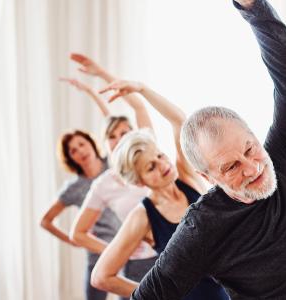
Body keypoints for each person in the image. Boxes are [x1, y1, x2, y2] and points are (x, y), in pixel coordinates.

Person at [130, 0, 286, 299]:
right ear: (207, 177)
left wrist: (253, 7)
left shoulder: (285, 151)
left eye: (250, 149)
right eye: (230, 167)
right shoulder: (203, 227)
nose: (252, 168)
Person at [89, 79, 229, 300]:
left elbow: (180, 121)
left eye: (160, 155)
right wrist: (154, 294)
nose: (163, 165)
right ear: (138, 181)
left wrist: (143, 90)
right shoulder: (143, 216)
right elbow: (101, 276)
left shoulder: (186, 177)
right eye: (151, 167)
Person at [63, 54, 159, 298]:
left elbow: (138, 106)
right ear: (104, 143)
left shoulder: (148, 155)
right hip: (138, 266)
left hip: (173, 251)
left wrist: (102, 75)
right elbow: (78, 233)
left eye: (126, 132)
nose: (121, 138)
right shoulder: (104, 183)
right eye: (113, 135)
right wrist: (118, 247)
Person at [39, 129, 117, 300]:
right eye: (73, 150)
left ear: (91, 143)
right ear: (70, 159)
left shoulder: (114, 163)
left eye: (82, 144)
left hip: (127, 249)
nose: (80, 151)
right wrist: (73, 240)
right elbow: (45, 221)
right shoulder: (74, 188)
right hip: (97, 255)